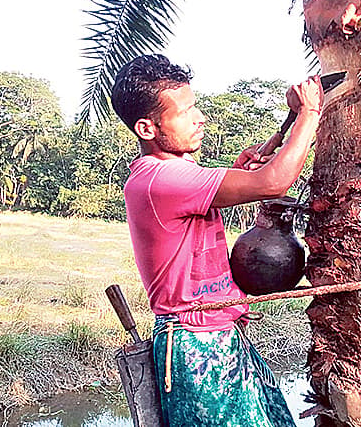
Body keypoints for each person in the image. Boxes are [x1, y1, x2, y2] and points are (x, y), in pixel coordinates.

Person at [110, 54, 323, 427]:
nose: (199, 118)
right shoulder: (160, 179)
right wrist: (309, 114)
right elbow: (273, 183)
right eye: (185, 112)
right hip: (196, 344)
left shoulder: (171, 173)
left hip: (218, 334)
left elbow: (226, 184)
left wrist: (262, 150)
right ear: (147, 128)